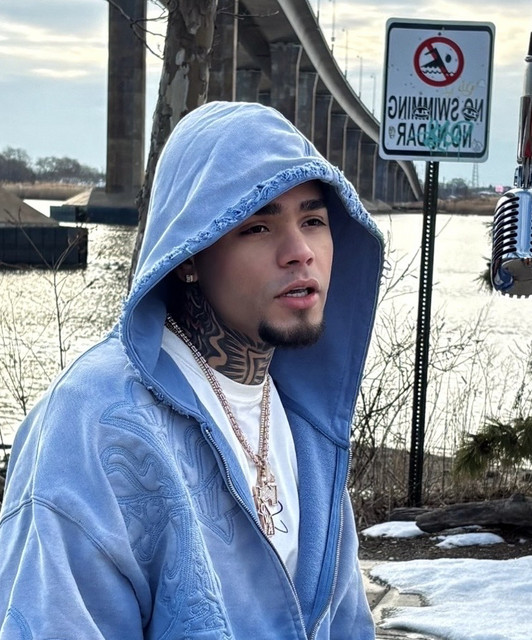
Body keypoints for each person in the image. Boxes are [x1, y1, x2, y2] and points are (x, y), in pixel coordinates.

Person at [0, 101, 384, 639]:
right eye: (258, 226)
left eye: (313, 221)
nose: (300, 252)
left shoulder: (308, 421)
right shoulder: (93, 422)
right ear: (188, 255)